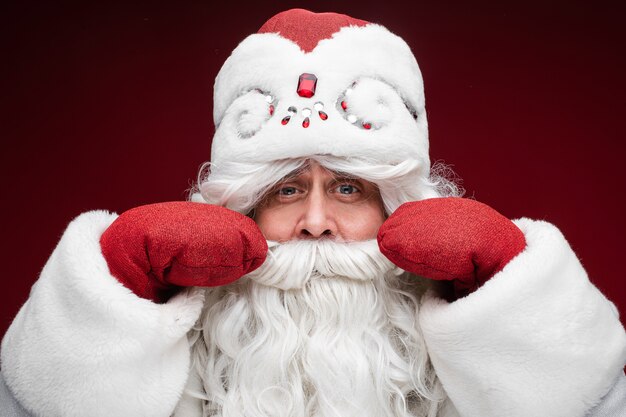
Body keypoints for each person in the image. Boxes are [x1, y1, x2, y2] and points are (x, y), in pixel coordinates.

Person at [1, 8, 625, 417]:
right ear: (240, 209)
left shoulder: (469, 336)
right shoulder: (168, 339)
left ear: (400, 208)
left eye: (350, 188)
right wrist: (117, 284)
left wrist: (510, 293)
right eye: (288, 191)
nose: (318, 222)